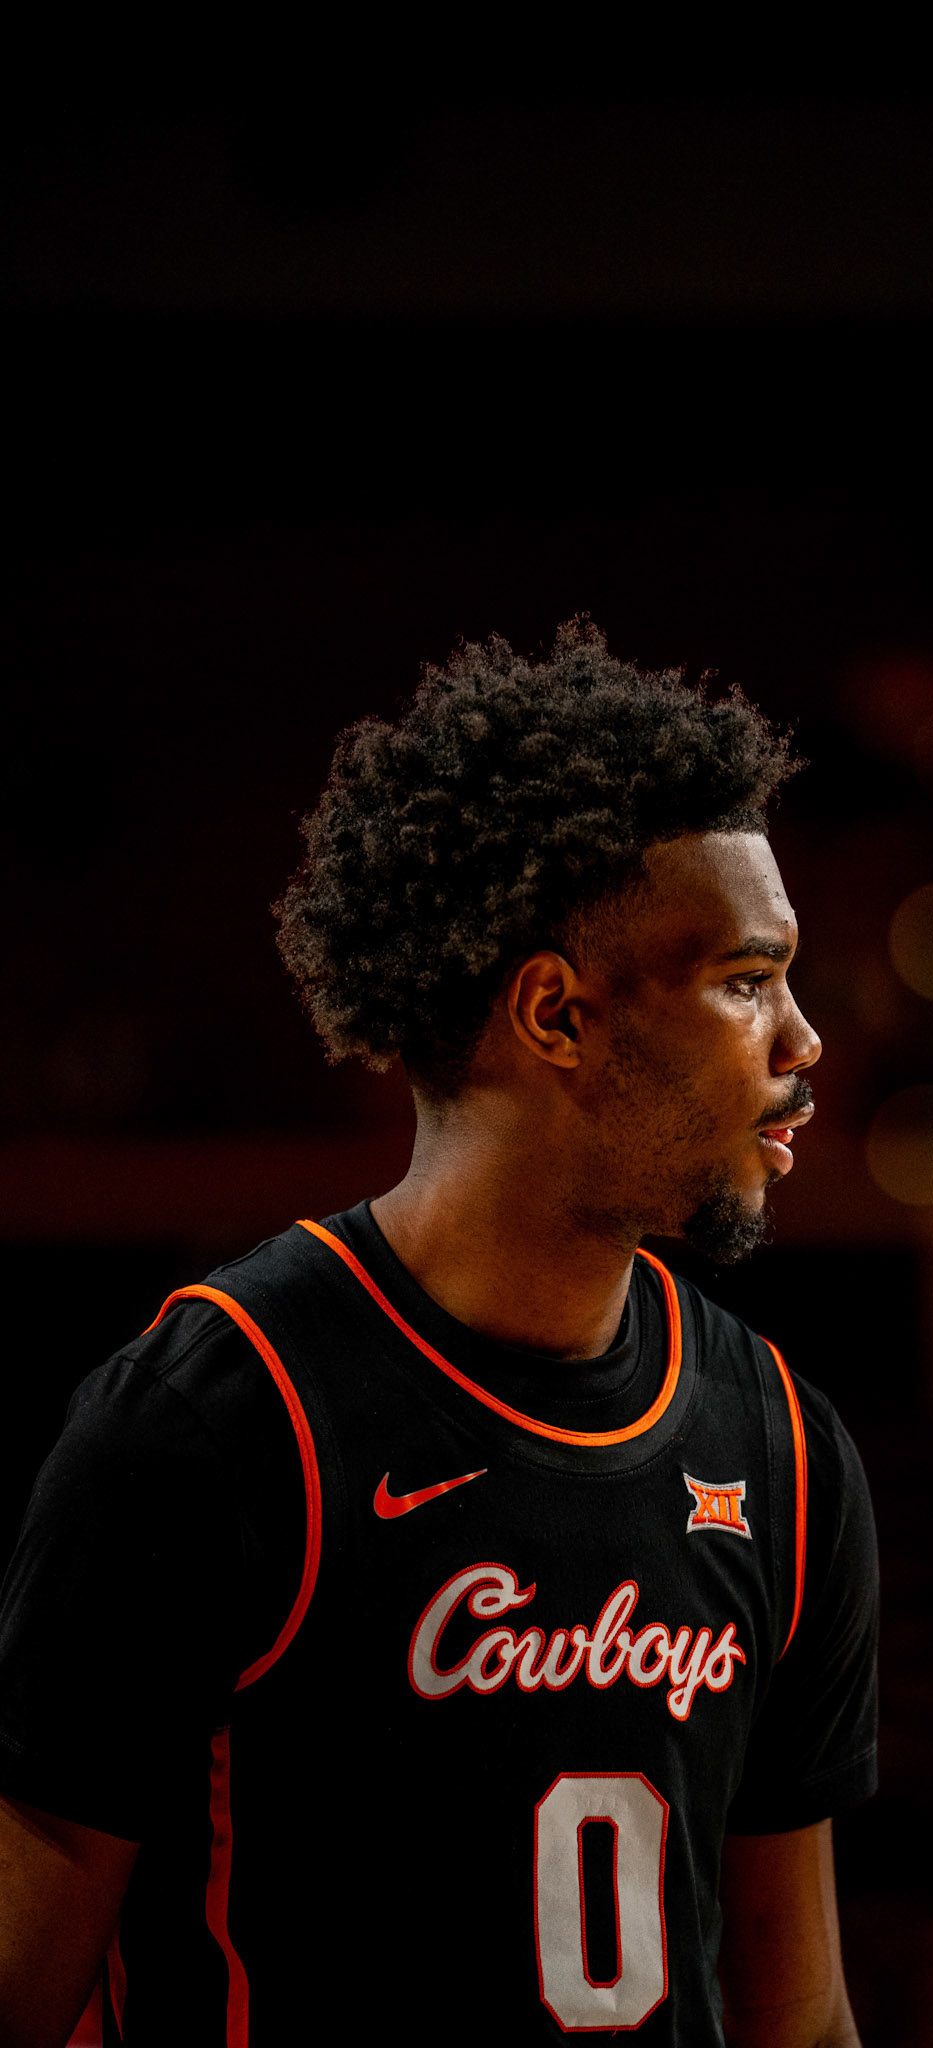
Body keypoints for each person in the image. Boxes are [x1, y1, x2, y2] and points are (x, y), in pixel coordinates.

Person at [0, 621, 878, 2046]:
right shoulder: (213, 1419)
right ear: (555, 1013)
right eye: (744, 978)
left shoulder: (776, 1442)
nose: (801, 1040)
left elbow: (800, 2015)